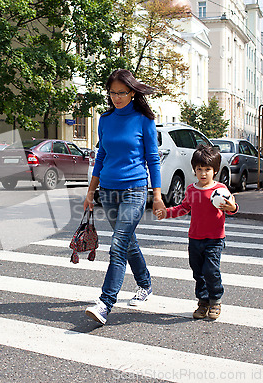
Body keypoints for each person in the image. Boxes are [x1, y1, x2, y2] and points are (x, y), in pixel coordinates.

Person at [83, 69, 166, 325]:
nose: (116, 97)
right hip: (108, 192)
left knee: (118, 245)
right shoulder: (105, 119)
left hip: (134, 190)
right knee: (128, 242)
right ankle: (145, 284)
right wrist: (90, 191)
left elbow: (153, 159)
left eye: (121, 92)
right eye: (112, 92)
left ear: (132, 92)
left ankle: (105, 304)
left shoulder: (144, 120)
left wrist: (158, 195)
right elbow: (102, 157)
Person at [156, 144, 239, 320]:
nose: (203, 173)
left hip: (215, 238)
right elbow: (184, 208)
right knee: (197, 271)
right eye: (199, 169)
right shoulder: (192, 190)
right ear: (194, 169)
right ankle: (203, 301)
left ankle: (215, 299)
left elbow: (231, 208)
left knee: (211, 269)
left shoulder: (220, 190)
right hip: (195, 238)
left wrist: (233, 207)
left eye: (207, 169)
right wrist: (166, 213)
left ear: (215, 170)